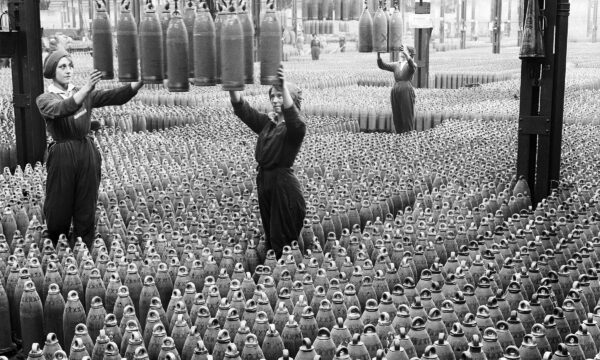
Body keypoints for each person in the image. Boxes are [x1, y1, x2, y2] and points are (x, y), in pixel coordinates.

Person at [36, 49, 143, 248]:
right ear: (52, 71)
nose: (68, 70)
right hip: (62, 154)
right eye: (62, 66)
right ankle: (56, 246)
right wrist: (86, 89)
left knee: (86, 202)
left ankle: (83, 246)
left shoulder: (82, 93)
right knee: (59, 203)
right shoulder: (45, 99)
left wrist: (140, 81)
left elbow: (114, 96)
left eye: (70, 66)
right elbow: (63, 108)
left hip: (86, 151)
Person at [229, 65, 307, 259]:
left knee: (282, 242)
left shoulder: (295, 128)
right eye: (272, 96)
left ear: (291, 98)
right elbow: (243, 109)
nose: (275, 100)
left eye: (280, 95)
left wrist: (283, 86)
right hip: (265, 183)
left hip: (283, 188)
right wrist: (231, 85)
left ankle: (286, 279)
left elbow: (294, 119)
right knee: (272, 237)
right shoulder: (268, 125)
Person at [377, 45, 417, 133]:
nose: (401, 52)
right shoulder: (396, 64)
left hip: (406, 89)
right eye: (401, 51)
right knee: (396, 113)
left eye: (404, 50)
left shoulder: (412, 64)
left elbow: (412, 65)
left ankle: (408, 133)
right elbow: (383, 66)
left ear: (410, 53)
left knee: (407, 113)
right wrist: (378, 55)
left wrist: (406, 55)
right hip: (396, 89)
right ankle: (399, 133)